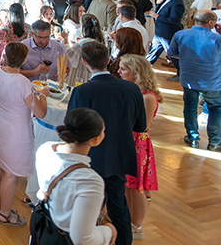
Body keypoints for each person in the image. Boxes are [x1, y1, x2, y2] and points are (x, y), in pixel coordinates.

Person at [67, 40, 147, 245]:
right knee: (118, 205)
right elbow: (140, 126)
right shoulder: (132, 88)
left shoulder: (82, 91)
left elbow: (73, 129)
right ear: (109, 60)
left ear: (84, 62)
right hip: (120, 154)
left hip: (91, 157)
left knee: (87, 206)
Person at [0, 42, 49, 226]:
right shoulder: (23, 82)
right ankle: (5, 214)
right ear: (23, 60)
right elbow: (40, 113)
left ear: (6, 56)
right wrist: (43, 95)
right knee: (10, 173)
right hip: (15, 131)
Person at [34, 108, 116, 245]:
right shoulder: (90, 181)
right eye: (103, 131)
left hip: (44, 228)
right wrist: (109, 232)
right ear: (95, 140)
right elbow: (82, 239)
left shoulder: (45, 148)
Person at [117, 54, 161, 240]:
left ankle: (137, 225)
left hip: (137, 143)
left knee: (136, 188)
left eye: (123, 69)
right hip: (128, 140)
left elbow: (143, 125)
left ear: (136, 72)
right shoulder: (134, 91)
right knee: (127, 185)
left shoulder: (147, 97)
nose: (119, 72)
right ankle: (127, 219)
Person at [167, 11, 221, 151]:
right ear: (211, 22)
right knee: (216, 109)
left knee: (190, 107)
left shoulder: (180, 34)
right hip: (212, 81)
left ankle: (193, 138)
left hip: (189, 79)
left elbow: (172, 53)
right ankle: (215, 142)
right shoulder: (217, 38)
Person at [146, 0, 185, 82]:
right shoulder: (168, 0)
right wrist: (159, 4)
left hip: (168, 33)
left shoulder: (177, 3)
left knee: (173, 54)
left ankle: (181, 74)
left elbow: (174, 20)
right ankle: (143, 69)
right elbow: (159, 13)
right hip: (160, 32)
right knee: (153, 52)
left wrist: (157, 17)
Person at [0, 4, 31, 75]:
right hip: (23, 55)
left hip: (9, 54)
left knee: (6, 75)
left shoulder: (4, 27)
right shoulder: (28, 27)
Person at [66, 14, 105, 86]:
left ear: (83, 28)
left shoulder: (83, 42)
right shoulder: (101, 40)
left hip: (82, 70)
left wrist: (65, 40)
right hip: (95, 69)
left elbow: (69, 53)